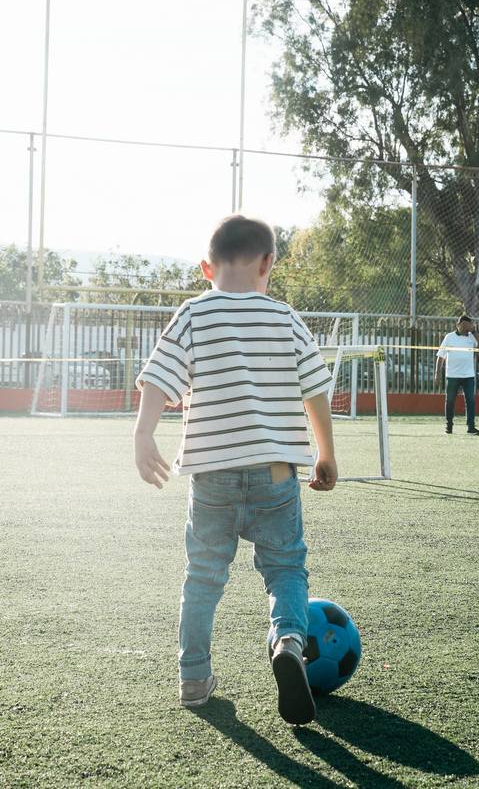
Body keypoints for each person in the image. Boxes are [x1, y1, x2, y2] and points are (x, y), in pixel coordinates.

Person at [132, 214, 337, 726]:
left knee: (203, 577)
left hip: (212, 475)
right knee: (285, 569)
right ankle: (288, 643)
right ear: (269, 263)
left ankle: (194, 678)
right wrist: (325, 452)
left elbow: (160, 378)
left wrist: (143, 434)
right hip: (275, 472)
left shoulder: (193, 314)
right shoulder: (285, 318)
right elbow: (315, 388)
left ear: (206, 268)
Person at [434, 314, 479, 435]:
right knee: (450, 401)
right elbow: (440, 356)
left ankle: (471, 427)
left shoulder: (472, 337)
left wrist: (474, 332)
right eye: (464, 325)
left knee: (470, 401)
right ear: (458, 325)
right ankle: (449, 426)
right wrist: (437, 373)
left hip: (468, 376)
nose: (466, 327)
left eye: (469, 325)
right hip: (452, 375)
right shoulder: (449, 337)